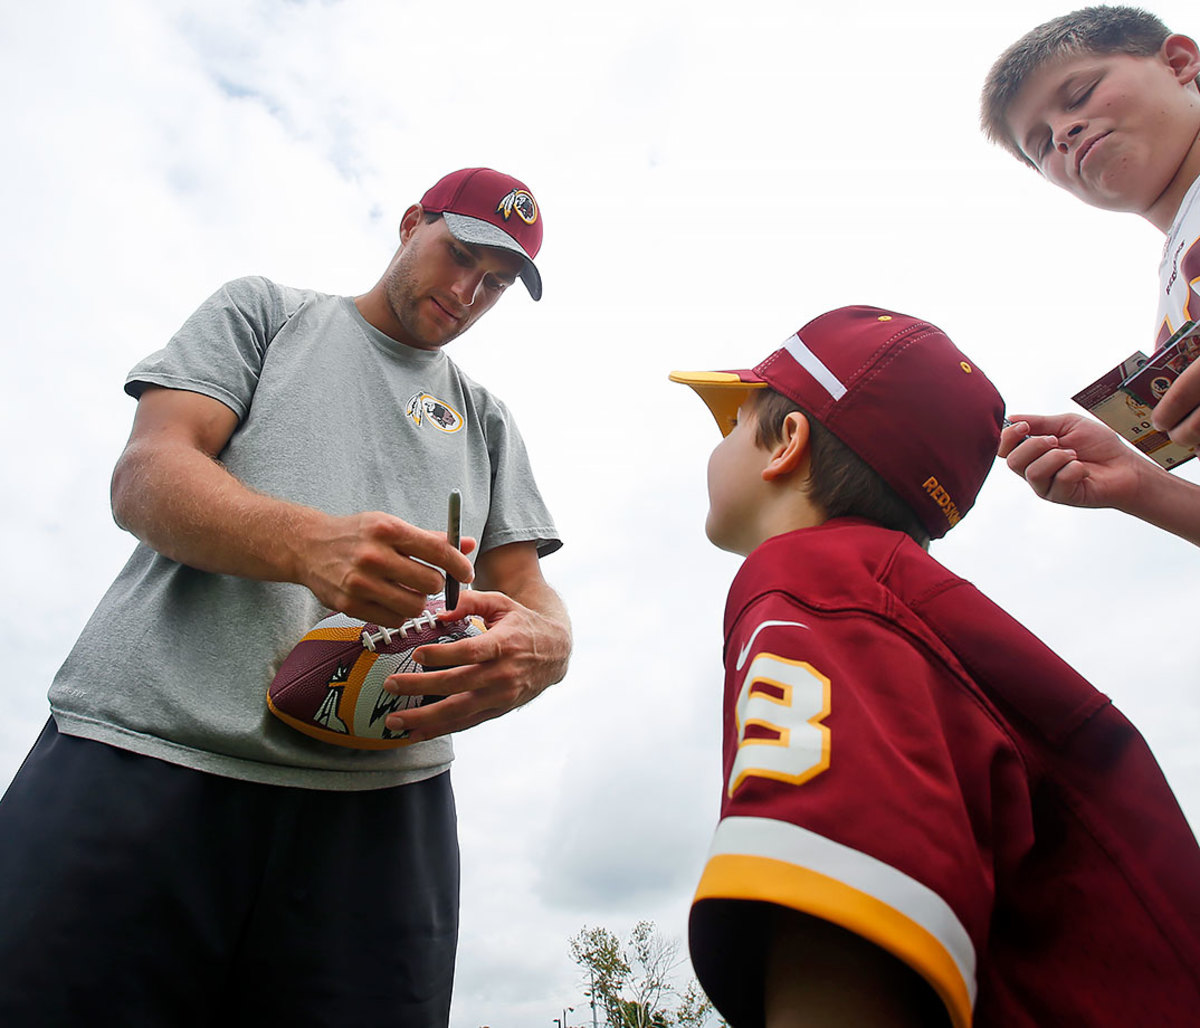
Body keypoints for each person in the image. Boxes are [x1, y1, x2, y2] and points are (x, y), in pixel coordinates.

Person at [0, 166, 571, 1027]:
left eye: (495, 283)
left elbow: (528, 593)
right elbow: (147, 474)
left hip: (380, 815)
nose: (469, 291)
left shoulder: (485, 418)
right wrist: (306, 544)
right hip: (144, 754)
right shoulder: (265, 313)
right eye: (460, 255)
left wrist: (544, 650)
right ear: (412, 220)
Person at [671, 306, 1200, 1027]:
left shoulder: (813, 581)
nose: (718, 442)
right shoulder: (901, 601)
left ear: (786, 443)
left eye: (732, 422)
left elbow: (842, 932)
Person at [979, 5, 1200, 547]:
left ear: (1179, 62)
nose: (1063, 132)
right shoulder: (1173, 302)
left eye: (1078, 95)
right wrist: (1142, 487)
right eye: (1039, 143)